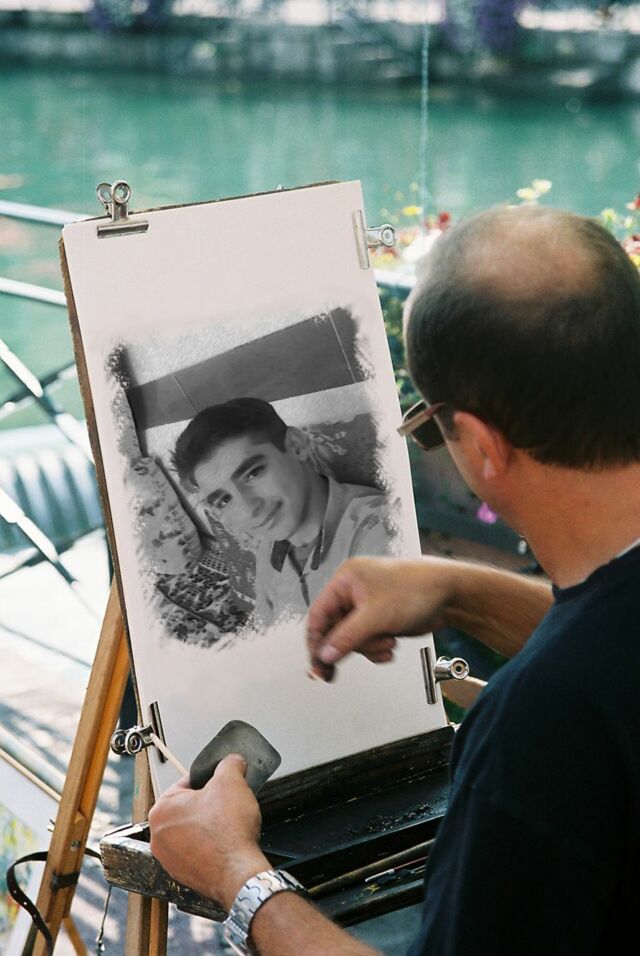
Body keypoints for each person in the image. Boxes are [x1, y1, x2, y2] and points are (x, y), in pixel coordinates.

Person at [149, 204, 640, 955]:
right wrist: (460, 589)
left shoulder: (534, 732)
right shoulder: (583, 681)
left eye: (430, 428)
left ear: (479, 444)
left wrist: (238, 877)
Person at [172, 397, 392, 624]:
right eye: (224, 500)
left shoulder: (381, 533)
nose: (249, 510)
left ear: (297, 446)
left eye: (253, 473)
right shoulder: (268, 549)